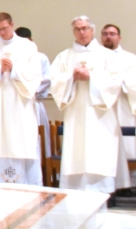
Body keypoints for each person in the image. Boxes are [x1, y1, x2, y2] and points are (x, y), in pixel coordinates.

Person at [52, 17, 125, 199]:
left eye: (85, 28)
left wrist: (91, 78)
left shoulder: (107, 55)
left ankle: (102, 191)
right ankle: (76, 190)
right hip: (75, 113)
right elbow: (55, 82)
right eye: (77, 29)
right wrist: (71, 78)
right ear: (73, 32)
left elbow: (115, 81)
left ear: (92, 30)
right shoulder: (64, 56)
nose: (81, 32)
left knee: (100, 152)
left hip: (100, 115)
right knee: (76, 149)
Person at [0, 12, 44, 185]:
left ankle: (28, 188)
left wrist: (14, 70)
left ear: (12, 25)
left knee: (22, 142)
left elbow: (35, 75)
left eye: (5, 28)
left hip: (20, 107)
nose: (2, 33)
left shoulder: (28, 46)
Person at [101, 23, 135, 195]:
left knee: (126, 147)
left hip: (122, 106)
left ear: (119, 37)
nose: (108, 37)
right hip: (102, 109)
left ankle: (127, 183)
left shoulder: (130, 58)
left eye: (112, 34)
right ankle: (108, 184)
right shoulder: (96, 57)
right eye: (105, 33)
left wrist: (118, 83)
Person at [14, 27, 53, 158]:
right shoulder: (13, 59)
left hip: (33, 102)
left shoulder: (40, 57)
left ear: (31, 40)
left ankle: (42, 168)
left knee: (37, 140)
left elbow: (47, 79)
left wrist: (28, 87)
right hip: (16, 104)